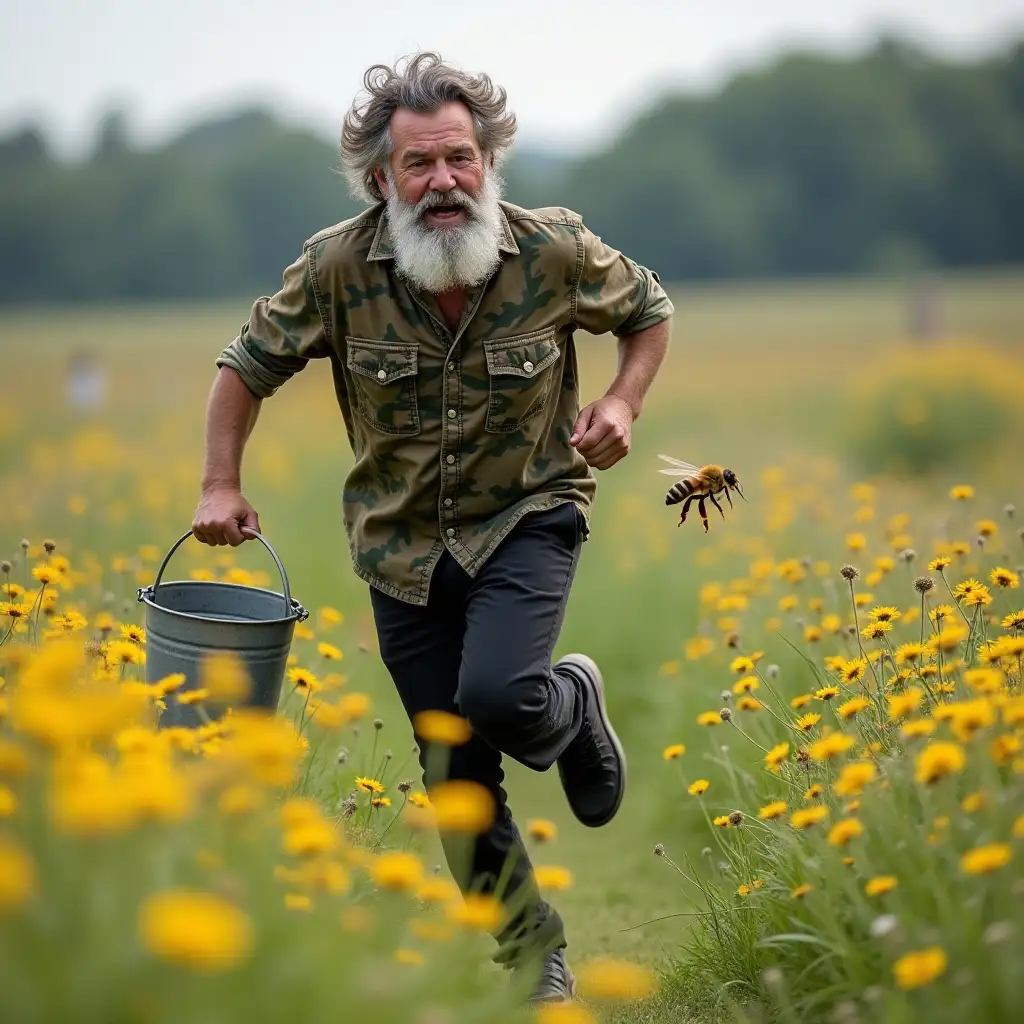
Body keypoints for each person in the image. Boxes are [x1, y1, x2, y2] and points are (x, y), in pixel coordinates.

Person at [192, 52, 672, 1004]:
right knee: (453, 767)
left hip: (530, 514)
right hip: (399, 546)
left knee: (498, 695)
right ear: (382, 178)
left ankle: (566, 705)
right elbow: (245, 366)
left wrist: (622, 402)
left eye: (460, 158)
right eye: (419, 165)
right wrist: (218, 483)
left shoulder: (556, 250)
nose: (444, 181)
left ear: (489, 160)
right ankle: (534, 964)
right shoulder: (337, 267)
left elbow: (649, 313)